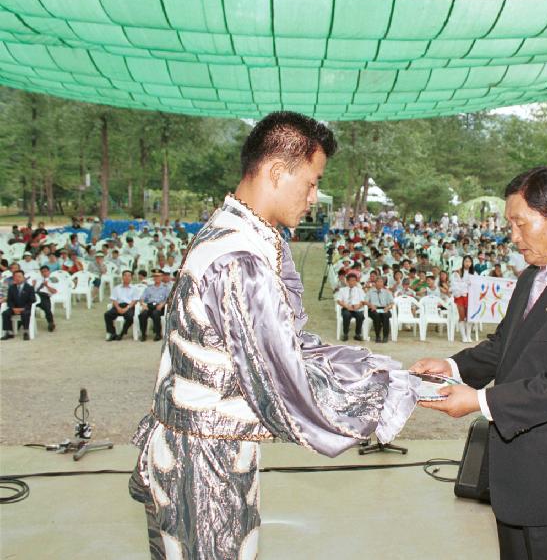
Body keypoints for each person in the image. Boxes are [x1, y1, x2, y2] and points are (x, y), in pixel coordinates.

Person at [128, 111, 418, 559]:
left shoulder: (234, 231)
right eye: (311, 182)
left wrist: (371, 367)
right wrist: (384, 392)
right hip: (206, 468)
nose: (314, 197)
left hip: (203, 452)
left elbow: (284, 344)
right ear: (277, 172)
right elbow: (283, 385)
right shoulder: (240, 258)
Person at [412, 167, 547, 560]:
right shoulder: (535, 275)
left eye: (520, 223)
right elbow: (505, 345)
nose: (512, 236)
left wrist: (480, 402)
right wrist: (452, 367)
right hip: (521, 479)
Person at [1, 270, 37, 340]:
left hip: (26, 308)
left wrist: (23, 308)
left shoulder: (29, 288)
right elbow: (9, 300)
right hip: (14, 308)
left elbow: (32, 300)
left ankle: (26, 332)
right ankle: (9, 332)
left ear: (23, 278)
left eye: (19, 277)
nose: (17, 278)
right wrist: (13, 308)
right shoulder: (11, 288)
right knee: (5, 313)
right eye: (15, 277)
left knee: (25, 313)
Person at [104, 270, 138, 341]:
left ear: (131, 278)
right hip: (118, 306)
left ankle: (122, 333)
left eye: (129, 276)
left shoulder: (134, 288)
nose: (127, 277)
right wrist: (118, 308)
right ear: (122, 277)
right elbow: (114, 299)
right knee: (107, 315)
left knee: (130, 317)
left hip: (129, 306)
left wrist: (126, 308)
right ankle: (112, 333)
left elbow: (134, 301)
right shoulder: (116, 288)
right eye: (125, 275)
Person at [138, 269, 169, 341]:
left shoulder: (165, 288)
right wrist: (143, 304)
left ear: (162, 277)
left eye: (158, 276)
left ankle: (158, 334)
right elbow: (142, 298)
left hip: (160, 306)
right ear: (153, 278)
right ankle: (143, 334)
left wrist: (162, 304)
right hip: (149, 306)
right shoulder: (148, 288)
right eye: (155, 276)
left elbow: (168, 299)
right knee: (143, 314)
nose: (157, 278)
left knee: (156, 313)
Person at [336, 272, 366, 341]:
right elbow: (338, 300)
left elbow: (363, 301)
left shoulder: (359, 290)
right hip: (346, 308)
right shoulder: (342, 290)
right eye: (351, 280)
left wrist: (358, 306)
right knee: (346, 315)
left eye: (354, 280)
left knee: (360, 316)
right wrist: (346, 306)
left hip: (356, 308)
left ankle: (357, 334)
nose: (353, 282)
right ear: (347, 281)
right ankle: (345, 334)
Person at [366, 276, 394, 343]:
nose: (380, 283)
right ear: (375, 283)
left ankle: (385, 336)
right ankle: (378, 336)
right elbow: (365, 301)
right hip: (374, 308)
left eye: (381, 282)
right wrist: (371, 305)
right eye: (378, 282)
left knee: (386, 315)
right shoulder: (370, 291)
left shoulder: (387, 292)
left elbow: (392, 303)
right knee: (376, 315)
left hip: (384, 308)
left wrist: (388, 307)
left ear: (383, 283)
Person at [30, 266, 57, 332]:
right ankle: (29, 321)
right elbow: (31, 290)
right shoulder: (38, 279)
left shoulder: (53, 279)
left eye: (45, 271)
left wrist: (47, 286)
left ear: (49, 271)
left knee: (47, 307)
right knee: (28, 305)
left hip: (44, 295)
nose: (44, 273)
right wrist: (33, 285)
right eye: (42, 272)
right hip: (35, 295)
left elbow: (54, 291)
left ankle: (51, 323)